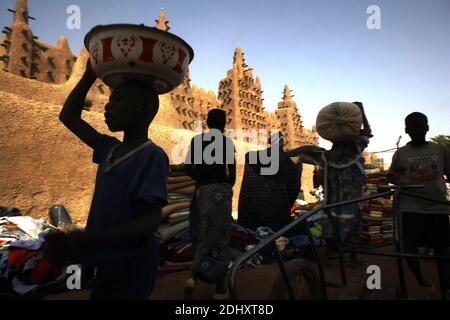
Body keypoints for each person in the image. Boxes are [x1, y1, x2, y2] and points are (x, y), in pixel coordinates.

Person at [44, 60, 168, 299]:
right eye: (110, 100)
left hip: (133, 266)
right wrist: (88, 75)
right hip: (105, 261)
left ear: (143, 108)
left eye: (118, 100)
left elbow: (150, 221)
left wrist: (88, 240)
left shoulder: (152, 156)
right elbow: (68, 116)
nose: (107, 108)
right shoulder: (108, 148)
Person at [387, 112, 449, 299]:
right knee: (408, 249)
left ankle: (444, 291)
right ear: (406, 130)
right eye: (412, 128)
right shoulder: (401, 154)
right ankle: (420, 278)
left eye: (420, 127)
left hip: (437, 208)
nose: (417, 130)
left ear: (427, 128)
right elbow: (392, 176)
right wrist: (402, 183)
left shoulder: (441, 150)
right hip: (410, 208)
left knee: (442, 252)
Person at [183, 109, 236, 300]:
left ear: (207, 122)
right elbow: (233, 174)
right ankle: (220, 288)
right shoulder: (226, 143)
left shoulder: (197, 141)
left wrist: (201, 180)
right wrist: (225, 186)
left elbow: (188, 167)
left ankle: (192, 278)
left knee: (201, 231)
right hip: (220, 191)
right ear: (224, 124)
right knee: (221, 236)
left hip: (202, 190)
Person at [315, 102, 373, 262]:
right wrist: (361, 112)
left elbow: (318, 179)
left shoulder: (326, 156)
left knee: (331, 227)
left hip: (331, 203)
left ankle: (334, 254)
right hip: (352, 202)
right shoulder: (355, 149)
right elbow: (367, 132)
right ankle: (352, 259)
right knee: (353, 229)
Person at [237, 132, 302, 236]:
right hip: (274, 215)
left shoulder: (251, 157)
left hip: (248, 215)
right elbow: (294, 190)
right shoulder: (293, 162)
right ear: (282, 143)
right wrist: (284, 208)